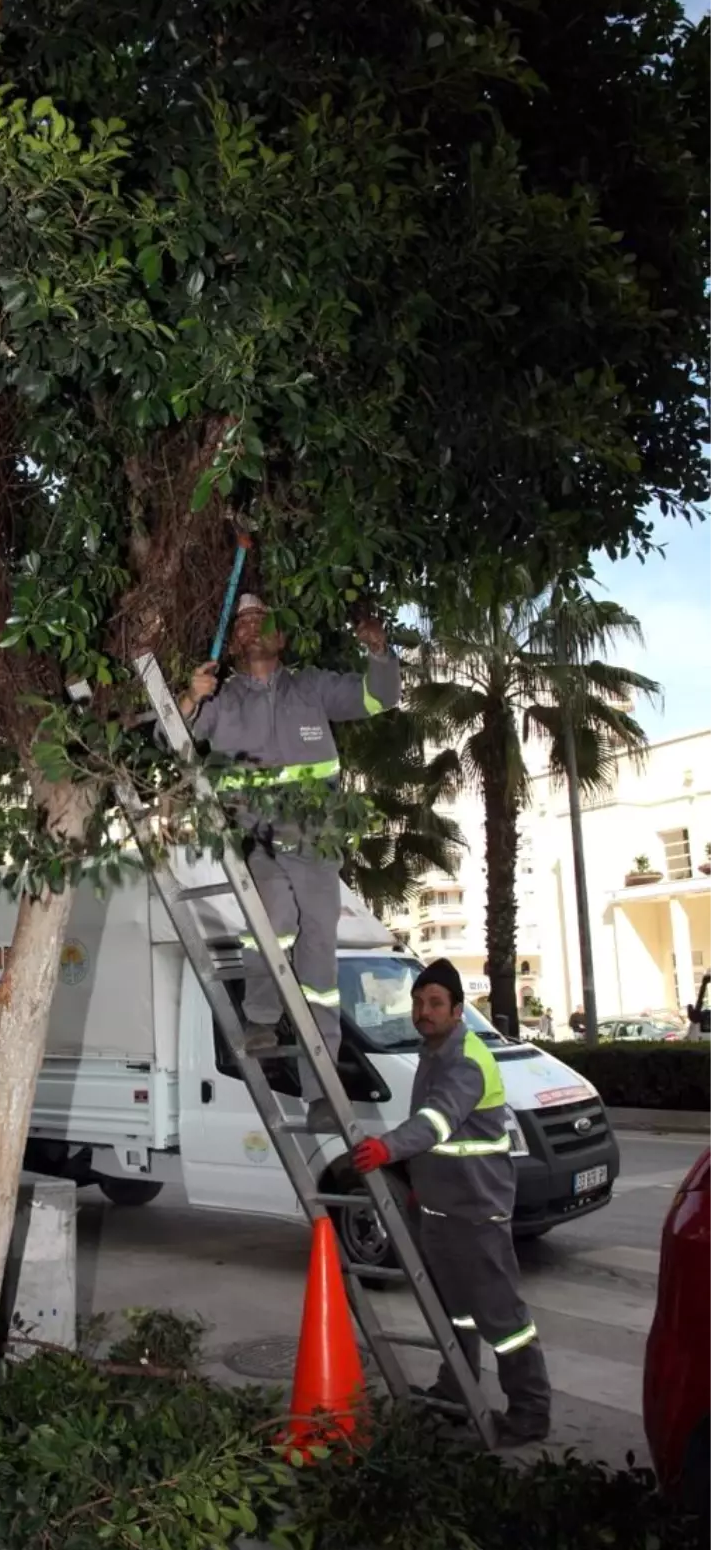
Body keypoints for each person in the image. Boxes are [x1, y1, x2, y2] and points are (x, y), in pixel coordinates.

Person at [180, 592, 399, 1060]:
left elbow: (379, 697)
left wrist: (379, 652)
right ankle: (260, 1018)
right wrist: (189, 699)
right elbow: (171, 738)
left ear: (281, 637)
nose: (253, 628)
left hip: (316, 842)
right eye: (243, 624)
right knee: (273, 921)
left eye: (264, 620)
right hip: (257, 840)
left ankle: (321, 1072)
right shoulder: (221, 700)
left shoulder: (312, 688)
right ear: (234, 642)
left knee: (318, 946)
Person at [351, 958, 550, 1446]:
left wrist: (387, 1149)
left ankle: (529, 1412)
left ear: (458, 1010)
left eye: (435, 1003)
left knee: (502, 1319)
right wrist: (420, 1180)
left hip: (477, 1211)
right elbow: (441, 1139)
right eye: (419, 1002)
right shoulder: (433, 1052)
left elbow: (437, 1122)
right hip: (443, 1207)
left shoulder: (465, 1059)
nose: (424, 1011)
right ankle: (457, 1392)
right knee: (454, 1312)